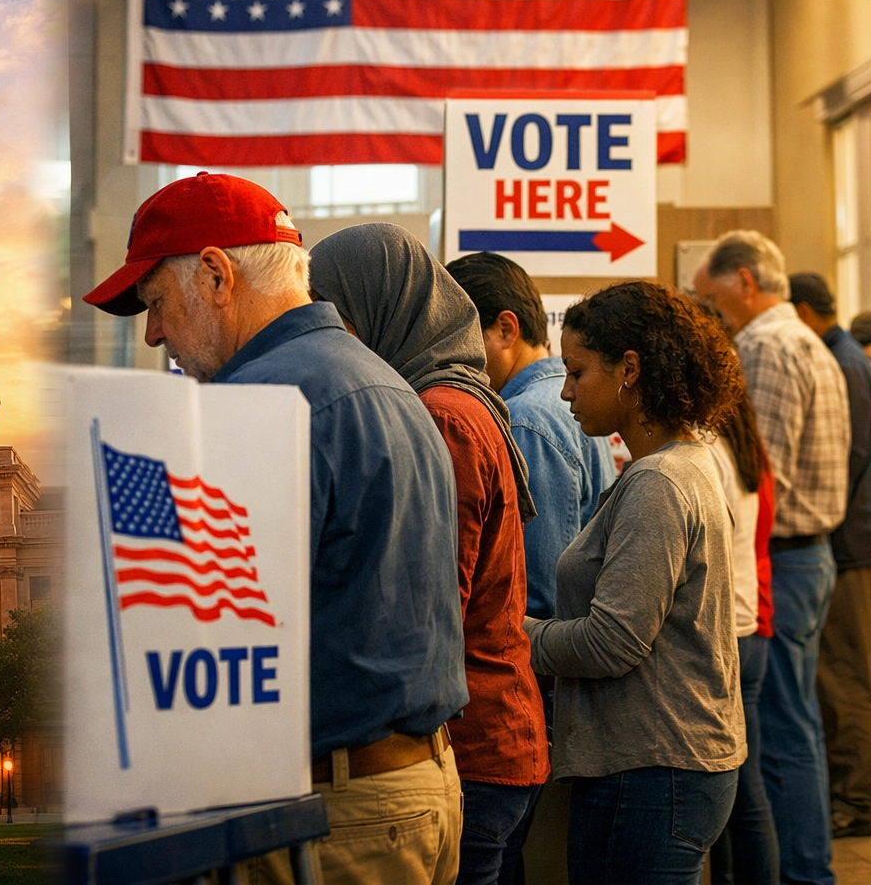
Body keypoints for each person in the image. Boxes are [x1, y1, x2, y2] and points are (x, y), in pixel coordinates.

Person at [83, 173, 468, 884]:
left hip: (329, 814)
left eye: (157, 302)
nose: (153, 332)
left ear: (215, 273)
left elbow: (207, 637)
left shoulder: (262, 401)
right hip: (418, 789)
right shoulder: (389, 384)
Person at [309, 226, 547, 885]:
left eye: (339, 319)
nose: (333, 343)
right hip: (488, 733)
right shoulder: (457, 397)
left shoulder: (440, 415)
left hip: (473, 744)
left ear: (384, 308)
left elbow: (432, 602)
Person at [526, 280, 746, 884]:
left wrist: (511, 634)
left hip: (651, 769)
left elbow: (611, 643)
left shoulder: (659, 483)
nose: (566, 392)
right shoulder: (684, 463)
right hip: (664, 765)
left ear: (629, 368)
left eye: (577, 371)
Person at [445, 250, 618, 882]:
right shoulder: (566, 403)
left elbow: (533, 593)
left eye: (459, 334)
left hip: (531, 687)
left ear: (505, 328)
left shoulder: (527, 418)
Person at [694, 232, 850, 885]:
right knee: (797, 729)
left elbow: (763, 476)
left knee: (780, 739)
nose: (712, 312)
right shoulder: (805, 341)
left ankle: (803, 875)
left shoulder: (765, 346)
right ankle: (807, 869)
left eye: (713, 298)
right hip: (808, 557)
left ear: (746, 280)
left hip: (782, 561)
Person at [788, 272, 871, 838]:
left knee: (844, 678)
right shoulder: (839, 356)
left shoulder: (842, 362)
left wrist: (826, 520)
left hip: (848, 545)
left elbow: (854, 453)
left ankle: (856, 799)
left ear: (800, 310)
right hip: (846, 542)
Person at [706, 390, 780, 885]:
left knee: (743, 798)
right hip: (749, 622)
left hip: (729, 631)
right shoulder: (744, 446)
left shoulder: (708, 450)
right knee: (737, 801)